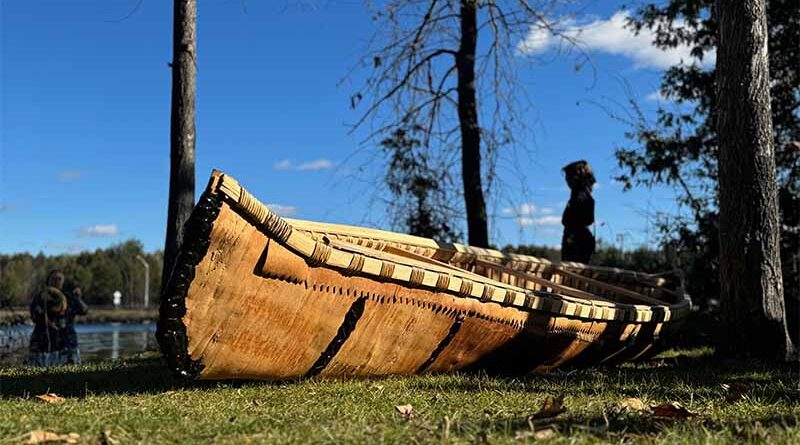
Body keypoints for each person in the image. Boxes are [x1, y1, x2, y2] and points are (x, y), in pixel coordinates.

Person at [29, 270, 68, 367]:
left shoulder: (67, 298)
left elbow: (81, 311)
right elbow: (34, 315)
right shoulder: (39, 297)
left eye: (59, 279)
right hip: (40, 341)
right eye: (54, 279)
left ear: (63, 282)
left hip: (60, 342)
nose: (56, 281)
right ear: (48, 281)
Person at [561, 160, 596, 264]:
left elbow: (586, 219)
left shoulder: (581, 196)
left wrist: (572, 236)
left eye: (568, 177)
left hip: (577, 243)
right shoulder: (580, 195)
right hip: (578, 240)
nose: (567, 181)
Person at [60, 284, 89, 364]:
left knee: (72, 361)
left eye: (59, 279)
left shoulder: (71, 299)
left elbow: (84, 310)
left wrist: (78, 298)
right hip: (52, 338)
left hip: (69, 337)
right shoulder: (46, 297)